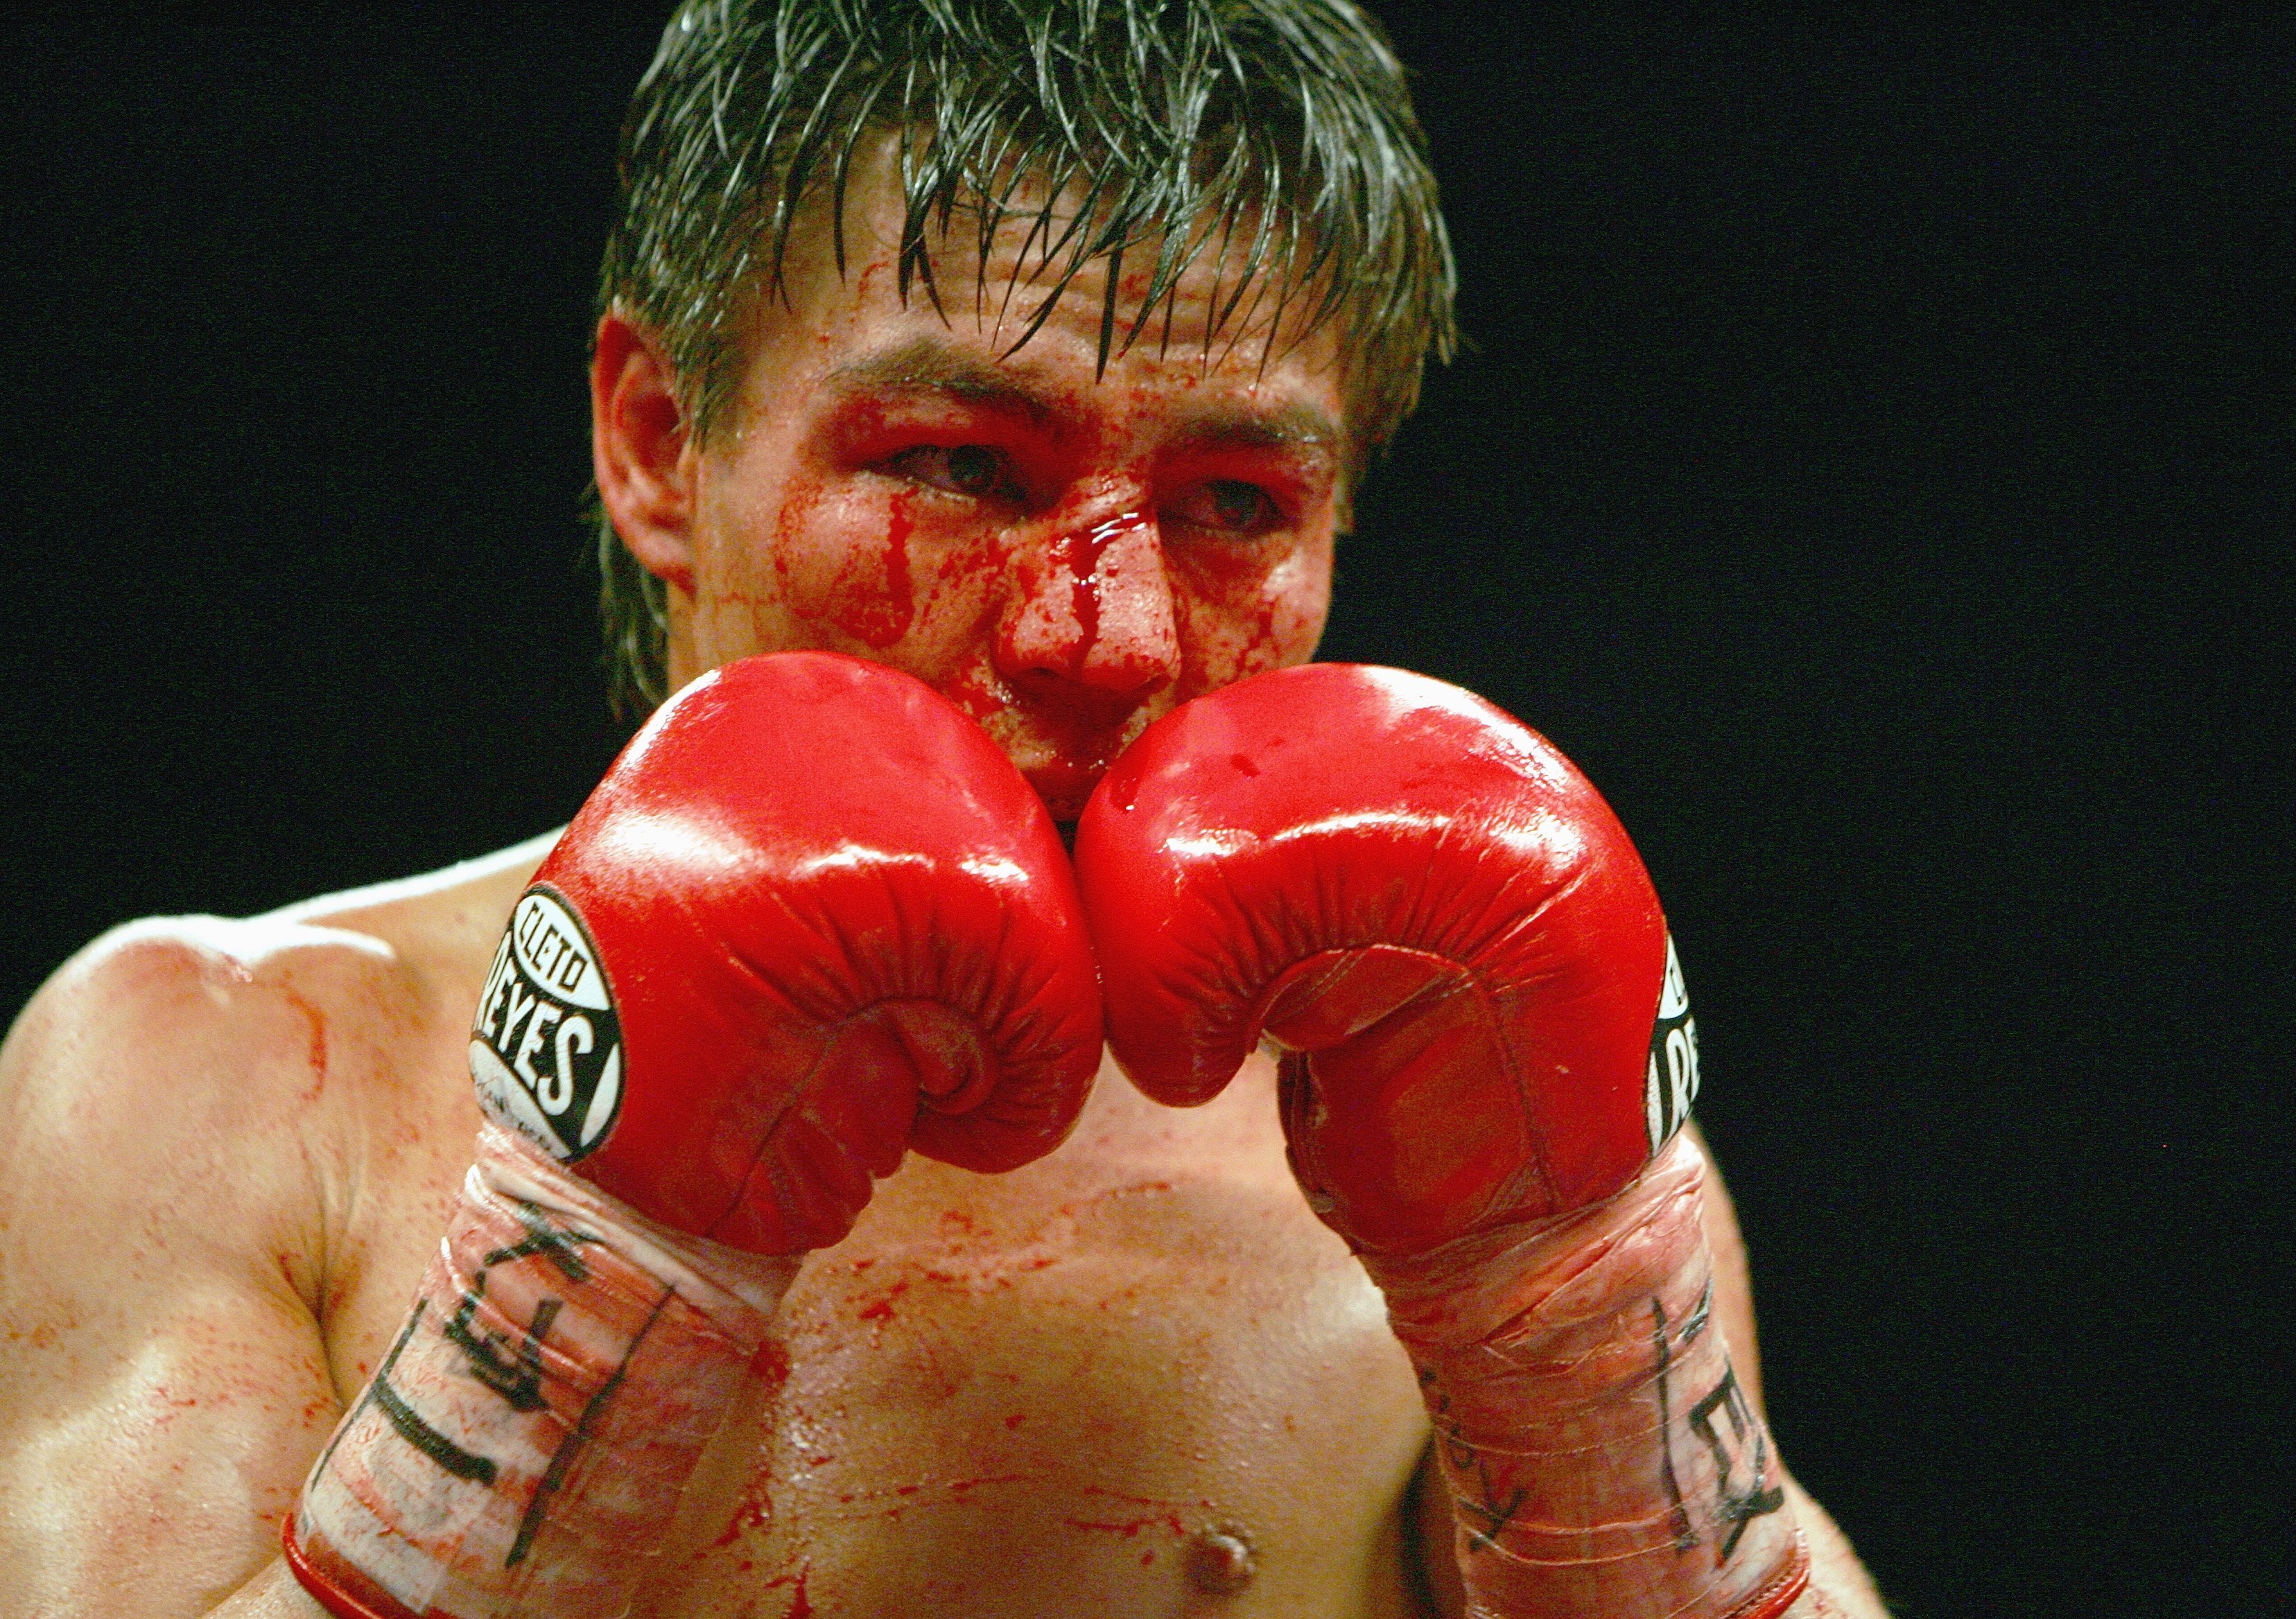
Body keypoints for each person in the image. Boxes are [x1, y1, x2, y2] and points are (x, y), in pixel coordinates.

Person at [0, 3, 1888, 1615]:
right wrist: (569, 1292)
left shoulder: (1483, 1163)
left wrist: (1556, 1321)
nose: (1111, 634)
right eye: (965, 464)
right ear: (658, 442)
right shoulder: (228, 1080)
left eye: (1237, 501)